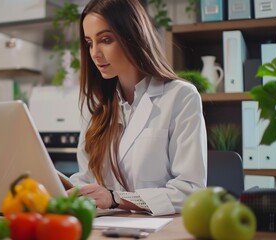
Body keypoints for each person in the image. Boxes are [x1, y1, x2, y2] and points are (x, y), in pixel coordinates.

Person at [68, 0, 207, 216]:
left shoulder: (180, 96)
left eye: (105, 40)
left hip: (160, 230)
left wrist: (116, 199)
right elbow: (85, 179)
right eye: (89, 43)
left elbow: (191, 191)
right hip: (105, 229)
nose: (95, 53)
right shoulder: (97, 107)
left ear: (132, 36)